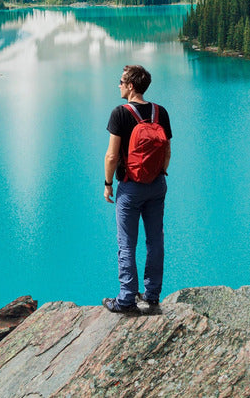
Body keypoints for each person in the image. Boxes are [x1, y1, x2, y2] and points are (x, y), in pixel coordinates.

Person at [102, 64, 172, 315]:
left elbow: (111, 156)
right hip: (157, 186)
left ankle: (126, 299)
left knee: (127, 243)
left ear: (131, 86)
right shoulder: (159, 112)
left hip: (130, 188)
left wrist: (108, 184)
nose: (119, 85)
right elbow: (167, 152)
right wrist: (158, 175)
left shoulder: (120, 113)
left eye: (121, 81)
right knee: (155, 240)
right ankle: (152, 295)